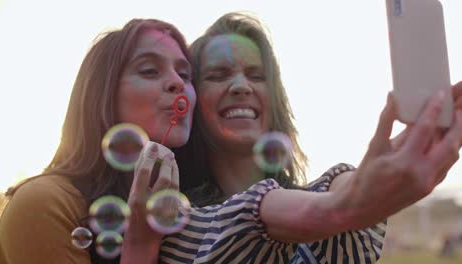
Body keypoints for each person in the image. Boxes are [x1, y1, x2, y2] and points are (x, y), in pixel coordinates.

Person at [143, 12, 462, 263]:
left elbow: (338, 191)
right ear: (193, 99)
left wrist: (378, 169)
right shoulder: (176, 221)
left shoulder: (323, 203)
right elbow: (260, 215)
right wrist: (351, 201)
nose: (242, 86)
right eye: (218, 75)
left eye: (257, 75)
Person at [0, 18, 195, 264]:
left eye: (185, 74)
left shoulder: (190, 206)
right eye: (149, 70)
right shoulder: (45, 203)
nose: (178, 83)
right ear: (103, 92)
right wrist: (142, 243)